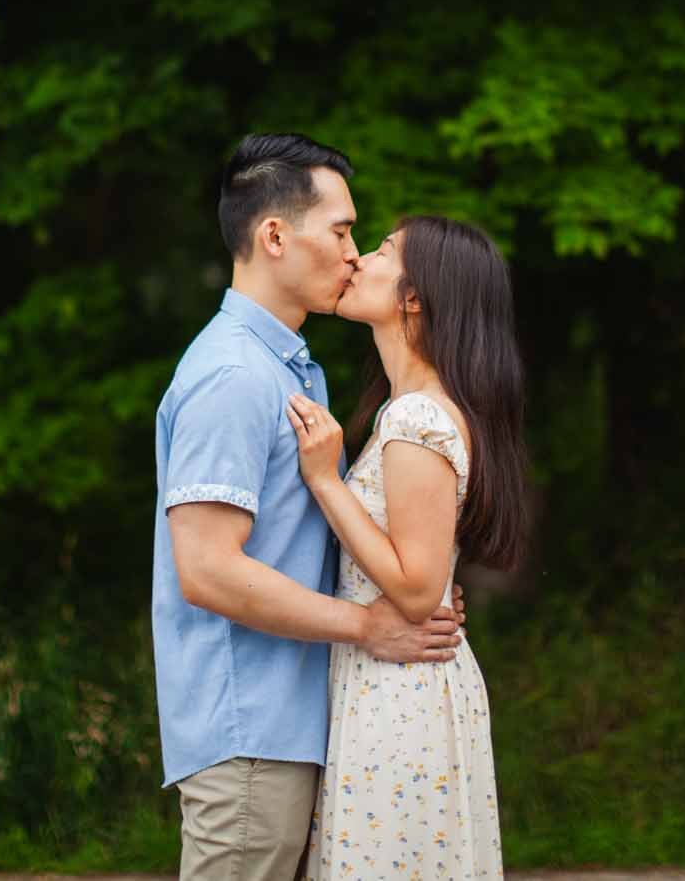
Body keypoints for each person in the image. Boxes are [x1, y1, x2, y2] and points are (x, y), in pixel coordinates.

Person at [153, 134, 469, 881]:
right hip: (250, 734)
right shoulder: (233, 374)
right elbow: (205, 570)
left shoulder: (291, 369)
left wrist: (408, 581)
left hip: (298, 725)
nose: (354, 252)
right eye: (340, 230)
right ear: (273, 235)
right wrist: (367, 623)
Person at [285, 215, 530, 880]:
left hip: (399, 699)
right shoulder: (419, 407)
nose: (358, 259)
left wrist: (323, 479)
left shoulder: (417, 416)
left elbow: (418, 589)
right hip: (398, 684)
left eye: (383, 250)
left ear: (415, 295)